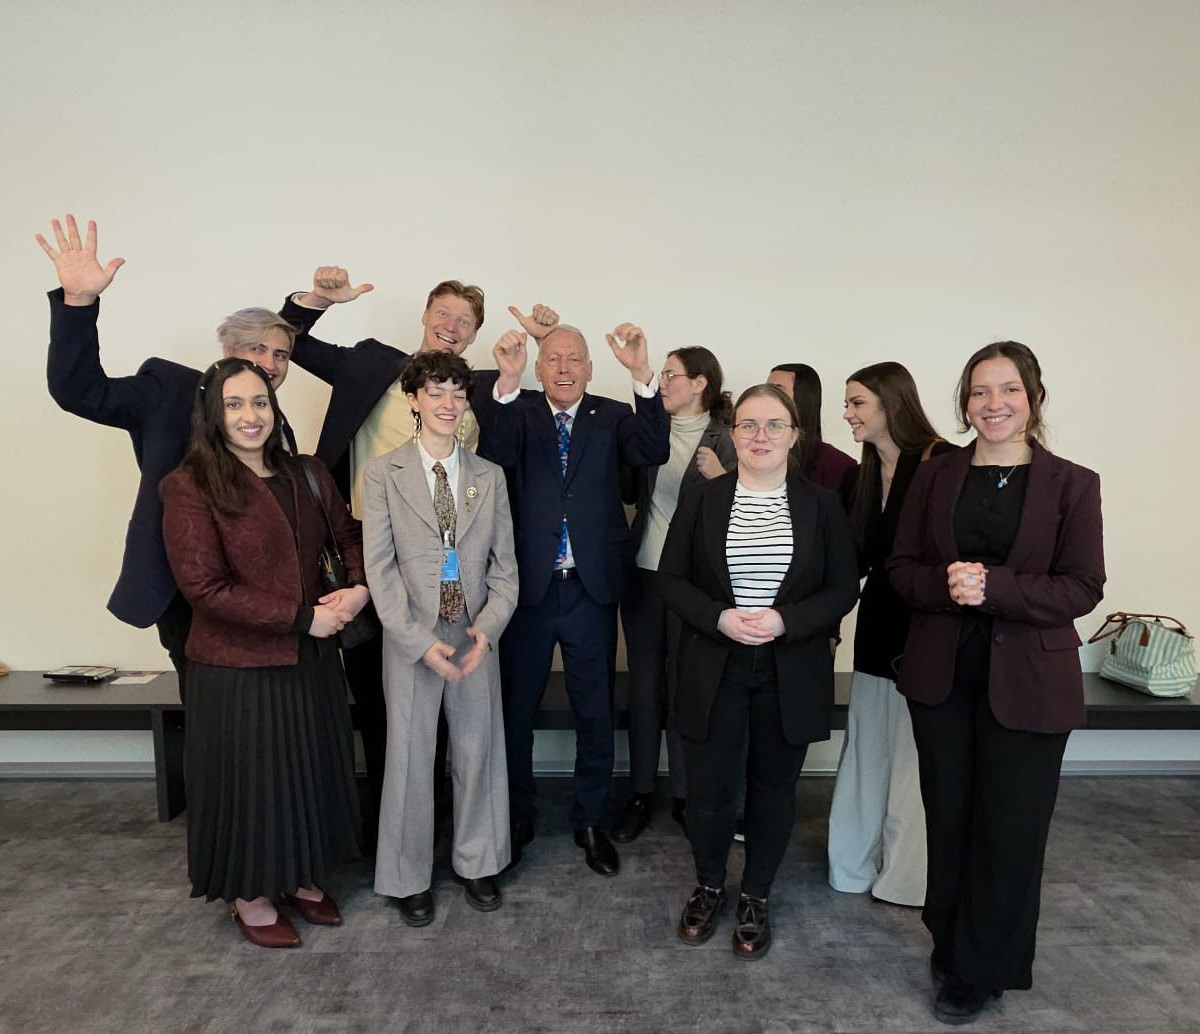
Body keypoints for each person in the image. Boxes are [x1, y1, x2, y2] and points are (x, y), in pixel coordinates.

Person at [278, 270, 556, 830]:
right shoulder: (370, 364)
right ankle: (398, 829)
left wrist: (539, 349)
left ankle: (454, 828)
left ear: (474, 335)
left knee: (455, 699)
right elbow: (290, 344)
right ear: (426, 316)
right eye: (444, 313)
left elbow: (517, 447)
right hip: (367, 551)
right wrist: (314, 301)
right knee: (382, 702)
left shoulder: (476, 388)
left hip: (450, 565)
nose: (452, 326)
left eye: (466, 321)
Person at [888, 342, 1104, 1023]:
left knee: (1011, 830)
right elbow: (900, 568)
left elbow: (1083, 586)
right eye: (979, 391)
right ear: (965, 402)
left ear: (1033, 398)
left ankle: (982, 968)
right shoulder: (935, 475)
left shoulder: (1073, 483)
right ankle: (951, 945)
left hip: (1032, 682)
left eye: (1009, 389)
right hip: (943, 678)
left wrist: (997, 588)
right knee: (950, 818)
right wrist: (946, 585)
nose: (994, 403)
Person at [39, 214, 298, 704]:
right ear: (226, 350)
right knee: (211, 710)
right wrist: (78, 302)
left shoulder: (276, 424)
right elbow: (79, 391)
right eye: (257, 348)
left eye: (281, 354)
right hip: (188, 593)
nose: (270, 363)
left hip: (264, 599)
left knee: (260, 715)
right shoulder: (169, 389)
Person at [161, 358, 369, 948]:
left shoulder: (307, 472)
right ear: (212, 413)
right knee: (251, 784)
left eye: (259, 402)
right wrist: (304, 619)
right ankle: (250, 895)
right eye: (234, 404)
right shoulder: (190, 485)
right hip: (237, 667)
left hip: (312, 660)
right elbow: (205, 589)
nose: (250, 416)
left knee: (306, 773)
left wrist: (359, 588)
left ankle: (300, 877)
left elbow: (348, 536)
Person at [658, 384, 859, 960]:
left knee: (773, 789)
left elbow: (843, 587)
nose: (760, 436)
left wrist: (785, 621)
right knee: (710, 789)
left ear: (794, 435)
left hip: (788, 668)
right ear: (733, 433)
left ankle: (756, 896)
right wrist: (718, 617)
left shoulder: (822, 504)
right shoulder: (704, 498)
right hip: (713, 663)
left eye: (774, 425)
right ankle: (709, 885)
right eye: (748, 425)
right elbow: (670, 579)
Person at [475, 321, 670, 877]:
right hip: (527, 588)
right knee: (516, 711)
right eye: (554, 359)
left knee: (594, 710)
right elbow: (494, 458)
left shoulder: (613, 415)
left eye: (575, 360)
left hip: (591, 587)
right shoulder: (517, 410)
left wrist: (641, 373)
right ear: (539, 369)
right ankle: (517, 817)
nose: (565, 368)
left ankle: (590, 821)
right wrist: (506, 384)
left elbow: (652, 448)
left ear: (590, 368)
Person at [361, 351, 518, 926]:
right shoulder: (383, 473)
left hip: (472, 633)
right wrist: (414, 639)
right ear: (413, 400)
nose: (448, 404)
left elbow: (506, 568)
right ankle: (408, 876)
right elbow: (379, 568)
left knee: (478, 749)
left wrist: (489, 627)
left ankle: (479, 862)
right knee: (408, 756)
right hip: (412, 635)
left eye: (458, 393)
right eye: (435, 392)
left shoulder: (489, 476)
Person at [827, 363, 955, 907]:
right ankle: (852, 868)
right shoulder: (858, 478)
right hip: (878, 627)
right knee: (866, 750)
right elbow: (847, 564)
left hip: (929, 632)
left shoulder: (945, 462)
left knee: (912, 761)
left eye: (857, 402)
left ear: (891, 403)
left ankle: (907, 880)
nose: (847, 414)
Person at [611, 346, 736, 843]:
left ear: (701, 382)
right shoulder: (649, 429)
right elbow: (627, 491)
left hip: (695, 584)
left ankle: (687, 795)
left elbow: (747, 506)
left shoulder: (728, 438)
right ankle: (641, 792)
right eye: (661, 375)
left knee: (688, 688)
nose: (662, 383)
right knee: (644, 689)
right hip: (644, 575)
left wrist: (722, 478)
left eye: (671, 375)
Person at [767, 363, 857, 490]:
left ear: (803, 398)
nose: (765, 397)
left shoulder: (838, 466)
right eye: (766, 390)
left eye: (778, 391)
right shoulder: (755, 452)